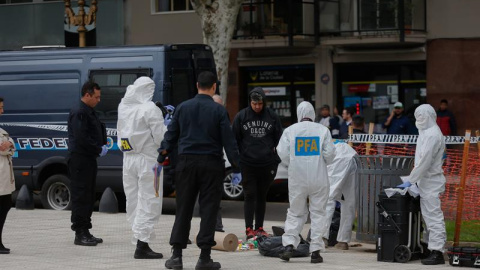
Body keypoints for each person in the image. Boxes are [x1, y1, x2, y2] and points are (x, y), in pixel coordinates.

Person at [158, 71, 241, 270]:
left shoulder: (183, 108)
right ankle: (204, 258)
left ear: (197, 85)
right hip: (211, 164)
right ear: (214, 87)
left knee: (183, 209)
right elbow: (229, 142)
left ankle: (176, 257)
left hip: (186, 164)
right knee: (209, 210)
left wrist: (162, 154)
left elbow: (171, 135)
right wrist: (238, 167)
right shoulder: (219, 110)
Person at [117, 77, 172, 259]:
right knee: (150, 200)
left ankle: (138, 236)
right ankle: (142, 244)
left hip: (128, 160)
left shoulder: (123, 106)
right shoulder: (150, 109)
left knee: (133, 199)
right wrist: (167, 124)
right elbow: (160, 138)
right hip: (149, 162)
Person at [276, 101, 336, 264]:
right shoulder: (323, 130)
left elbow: (282, 153)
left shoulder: (290, 131)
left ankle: (289, 245)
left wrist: (293, 163)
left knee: (295, 212)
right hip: (319, 178)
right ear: (312, 114)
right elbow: (330, 155)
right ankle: (315, 251)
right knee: (318, 213)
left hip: (297, 179)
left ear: (299, 114)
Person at [398, 104, 447, 265]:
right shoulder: (425, 132)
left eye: (422, 116)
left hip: (431, 181)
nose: (419, 119)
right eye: (417, 116)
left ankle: (437, 251)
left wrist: (410, 180)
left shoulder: (432, 134)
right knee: (427, 217)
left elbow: (425, 162)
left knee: (433, 217)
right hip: (425, 181)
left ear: (430, 116)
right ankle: (428, 247)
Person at [232, 87, 283, 239]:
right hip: (248, 163)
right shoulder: (242, 116)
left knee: (262, 195)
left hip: (267, 164)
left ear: (264, 102)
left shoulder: (272, 116)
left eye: (260, 104)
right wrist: (237, 161)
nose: (257, 107)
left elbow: (280, 139)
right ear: (250, 102)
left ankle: (259, 228)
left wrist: (276, 160)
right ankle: (249, 229)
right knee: (249, 195)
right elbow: (234, 139)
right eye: (254, 104)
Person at [67, 81, 108, 246]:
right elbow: (81, 137)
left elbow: (96, 130)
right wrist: (98, 148)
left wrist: (102, 143)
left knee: (89, 195)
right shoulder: (79, 112)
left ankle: (86, 229)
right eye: (96, 97)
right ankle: (79, 232)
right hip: (80, 159)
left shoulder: (89, 111)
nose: (99, 100)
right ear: (87, 95)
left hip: (89, 159)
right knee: (81, 195)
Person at [322, 141, 357, 250]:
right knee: (349, 200)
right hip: (352, 155)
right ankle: (343, 241)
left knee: (328, 198)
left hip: (338, 155)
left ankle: (322, 238)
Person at [0, 97, 15, 254]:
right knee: (3, 206)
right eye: (0, 108)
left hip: (4, 176)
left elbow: (11, 146)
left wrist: (10, 144)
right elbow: (3, 149)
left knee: (5, 205)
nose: (2, 111)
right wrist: (8, 146)